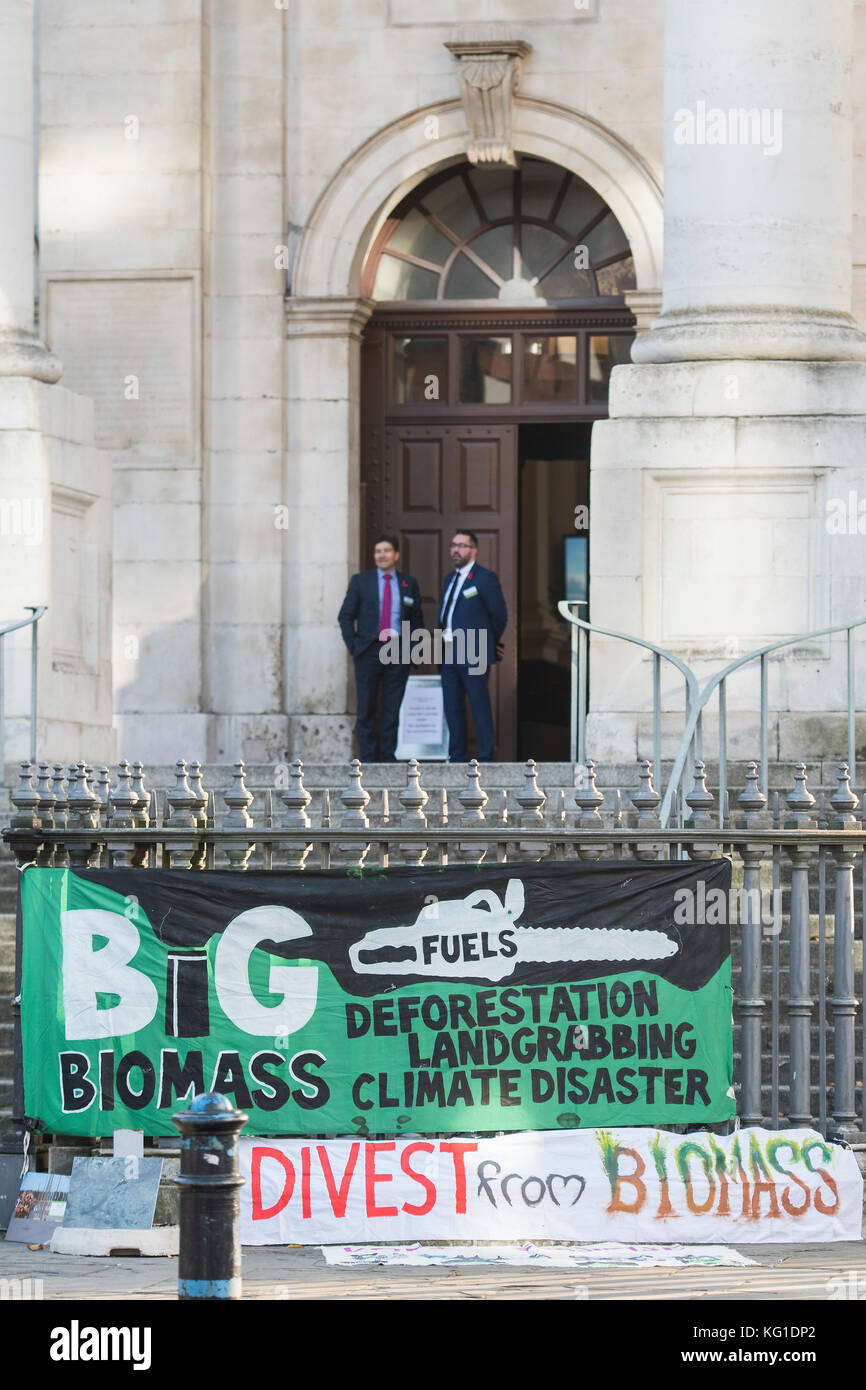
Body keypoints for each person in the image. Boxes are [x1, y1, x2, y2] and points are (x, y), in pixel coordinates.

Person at [338, 534, 425, 762]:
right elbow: (345, 616)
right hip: (369, 651)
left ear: (396, 555)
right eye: (378, 551)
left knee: (391, 707)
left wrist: (412, 652)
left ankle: (387, 756)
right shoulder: (361, 582)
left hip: (398, 652)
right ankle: (367, 757)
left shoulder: (409, 584)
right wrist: (355, 646)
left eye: (386, 550)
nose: (382, 555)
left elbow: (417, 622)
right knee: (366, 706)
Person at [439, 530, 507, 763]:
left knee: (479, 705)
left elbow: (499, 615)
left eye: (462, 545)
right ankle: (457, 756)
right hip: (448, 651)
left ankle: (486, 756)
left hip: (473, 651)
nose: (456, 550)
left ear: (474, 550)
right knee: (452, 706)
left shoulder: (484, 578)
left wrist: (488, 643)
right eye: (453, 545)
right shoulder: (450, 579)